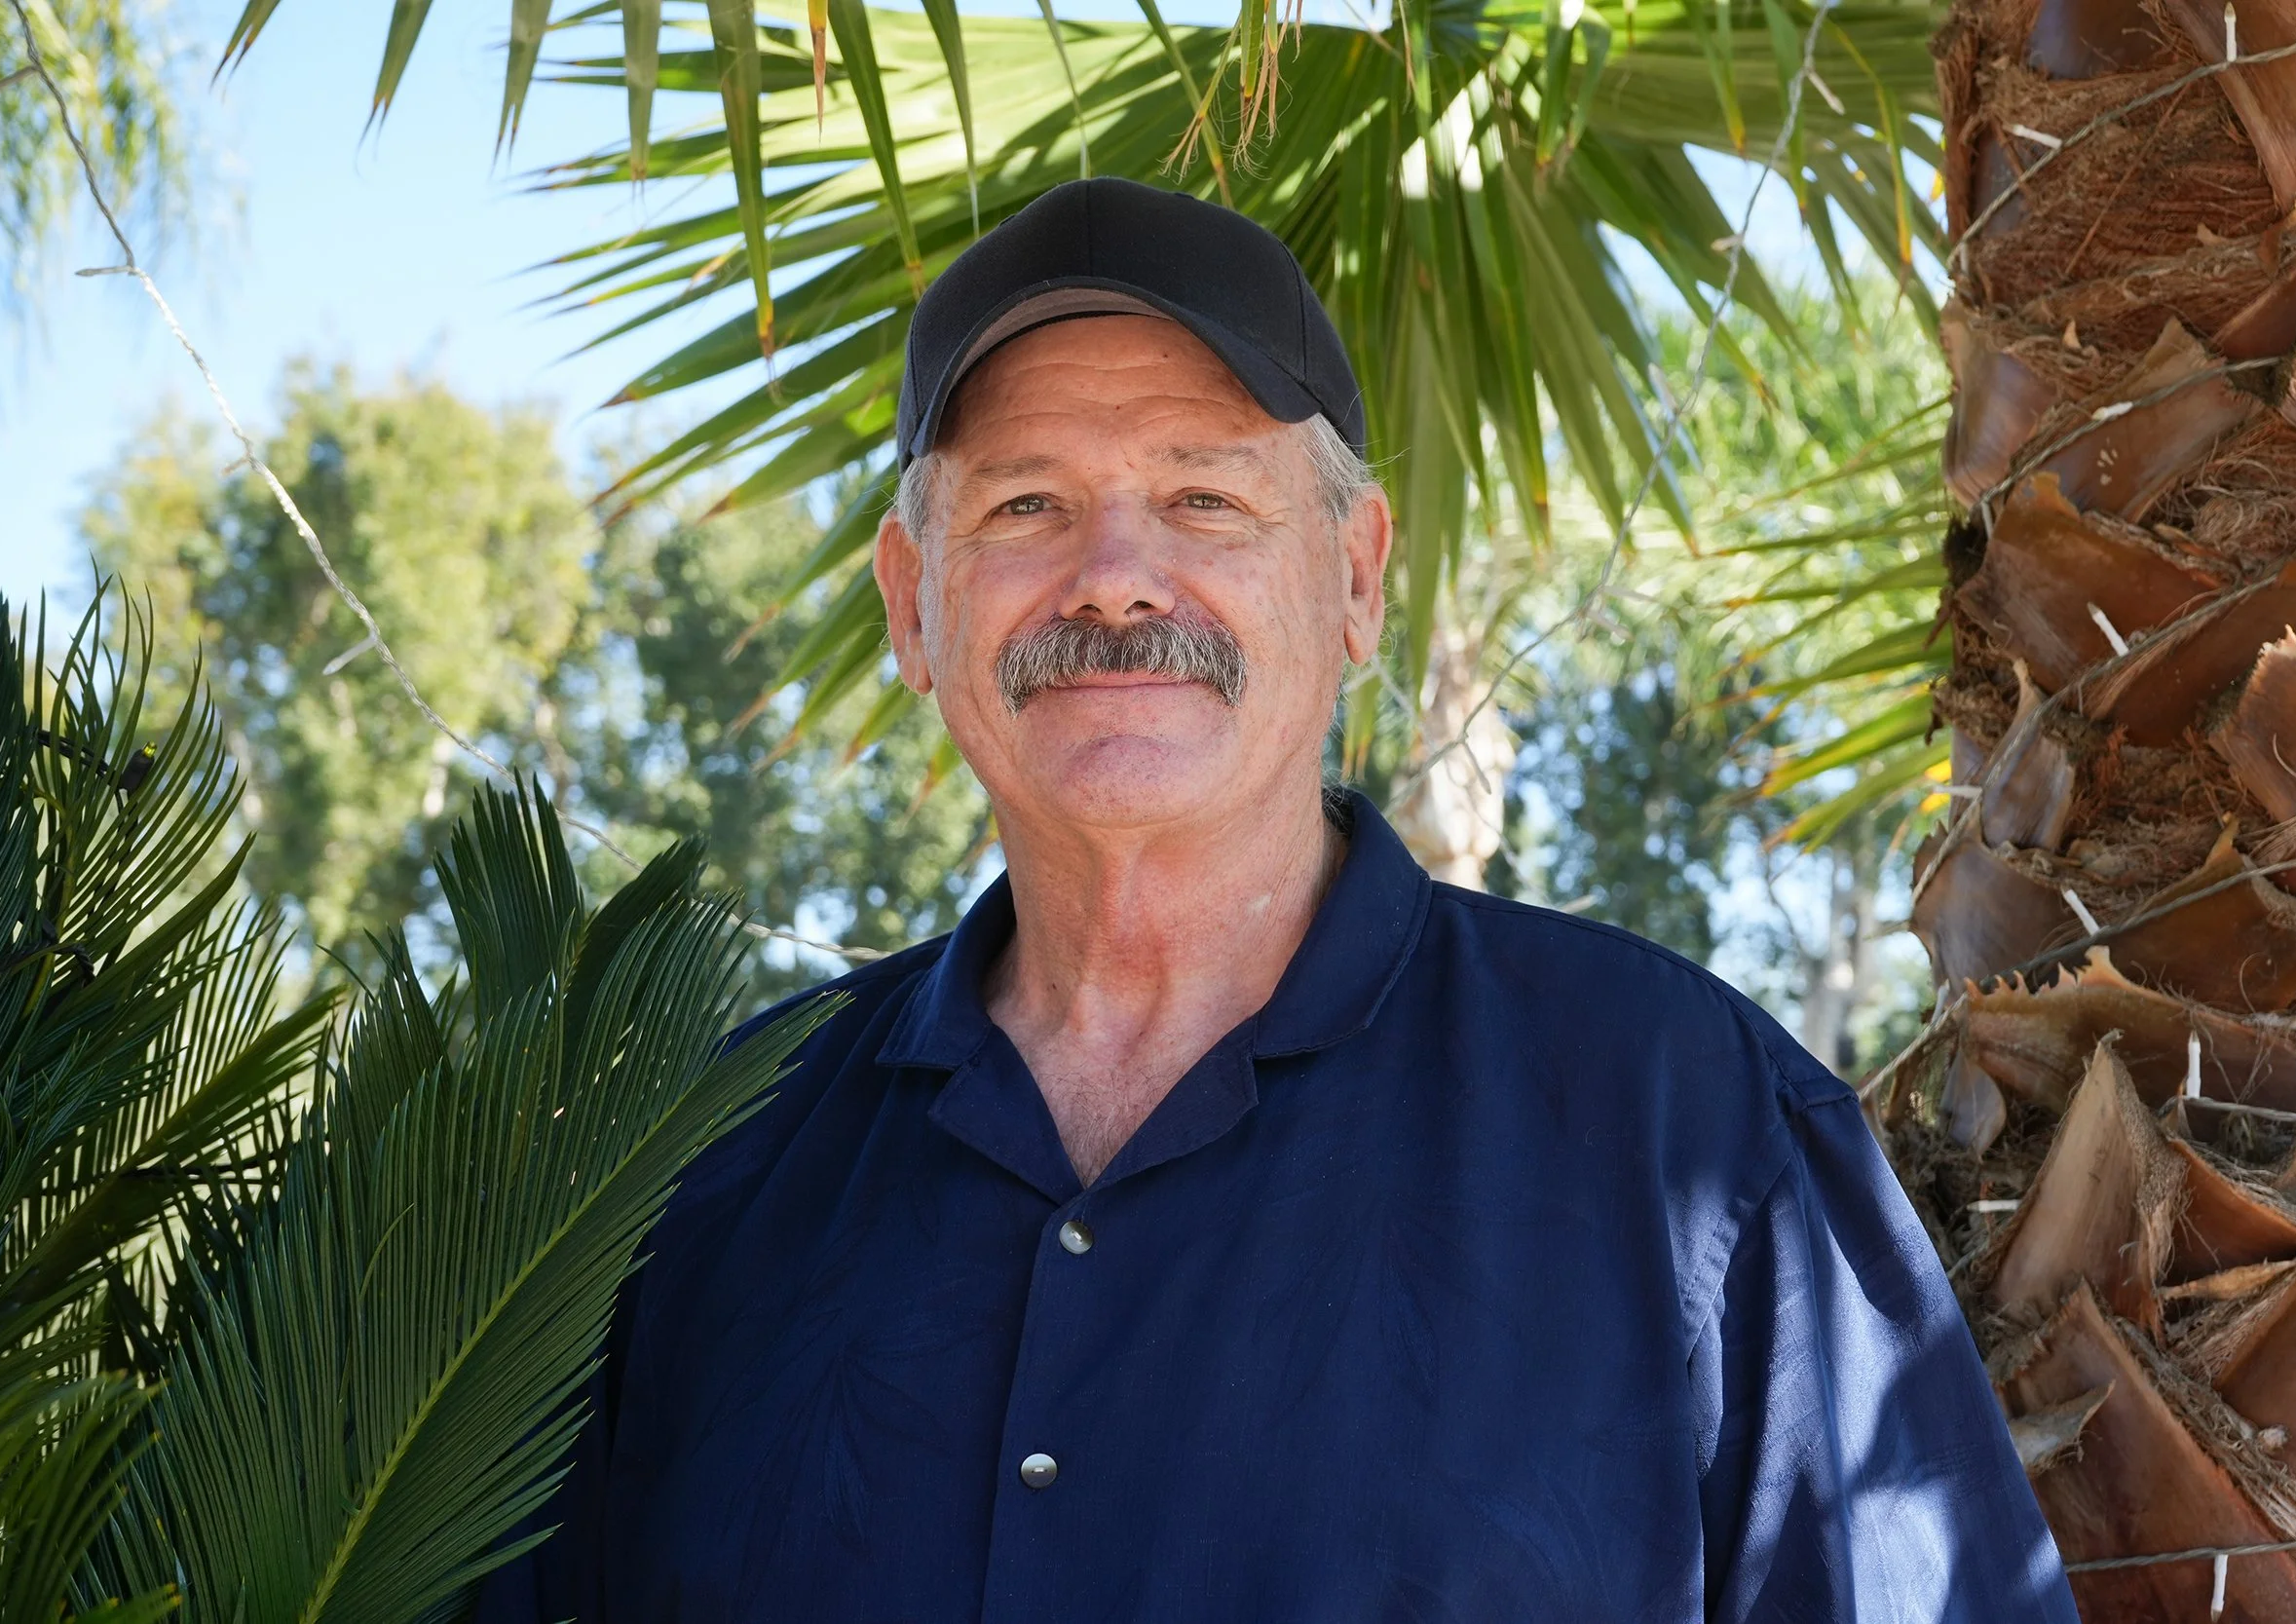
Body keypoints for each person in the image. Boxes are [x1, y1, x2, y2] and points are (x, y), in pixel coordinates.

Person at [476, 177, 2075, 1622]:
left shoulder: (1693, 1136)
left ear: (1359, 579)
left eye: (1204, 499)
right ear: (916, 604)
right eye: (1025, 502)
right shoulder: (695, 1177)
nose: (1113, 573)